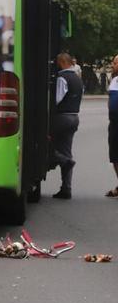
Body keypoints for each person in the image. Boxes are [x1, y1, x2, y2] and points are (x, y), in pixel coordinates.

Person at [50, 52, 83, 199]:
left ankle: (65, 162)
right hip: (74, 117)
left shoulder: (62, 78)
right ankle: (66, 189)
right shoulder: (77, 78)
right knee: (66, 151)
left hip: (62, 118)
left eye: (57, 62)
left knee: (41, 143)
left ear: (62, 62)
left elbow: (56, 100)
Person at [106, 55, 118, 199]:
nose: (113, 65)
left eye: (116, 63)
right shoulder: (114, 80)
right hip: (114, 123)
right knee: (115, 156)